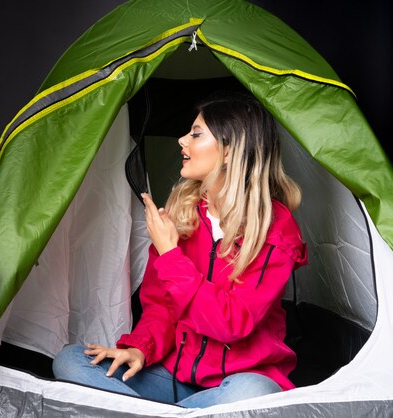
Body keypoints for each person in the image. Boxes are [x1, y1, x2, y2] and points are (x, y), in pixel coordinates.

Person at [52, 92, 308, 409]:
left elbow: (232, 323)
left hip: (237, 383)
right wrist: (140, 348)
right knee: (70, 361)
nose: (182, 141)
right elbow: (161, 306)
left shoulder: (274, 229)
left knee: (253, 395)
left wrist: (171, 256)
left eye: (196, 134)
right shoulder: (182, 216)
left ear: (230, 151)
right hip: (175, 381)